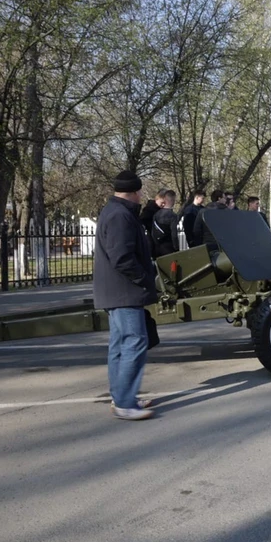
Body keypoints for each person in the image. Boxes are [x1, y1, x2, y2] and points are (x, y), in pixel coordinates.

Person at [94, 171, 158, 421]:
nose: (142, 195)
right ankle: (124, 402)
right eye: (140, 191)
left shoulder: (113, 212)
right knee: (135, 341)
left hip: (116, 291)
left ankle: (121, 396)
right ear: (133, 191)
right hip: (125, 292)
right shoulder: (121, 216)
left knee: (120, 345)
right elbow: (122, 258)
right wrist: (144, 278)